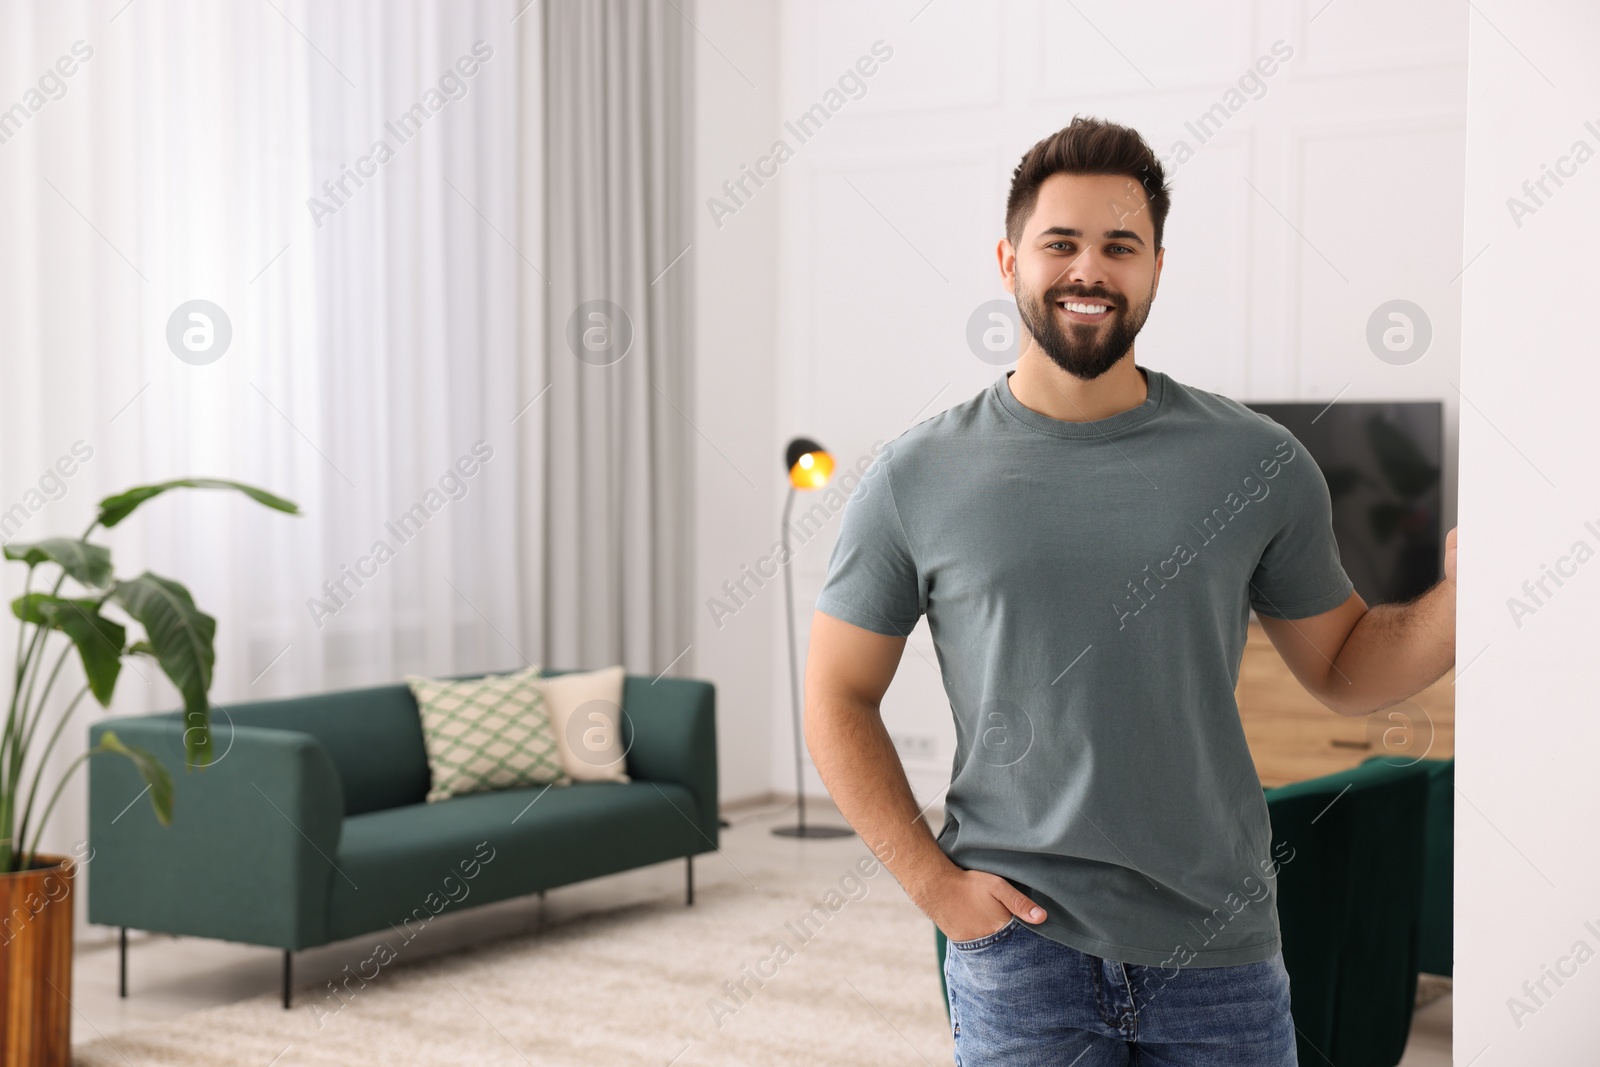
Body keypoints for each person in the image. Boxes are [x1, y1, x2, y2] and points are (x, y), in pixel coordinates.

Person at [803, 115, 1458, 1066]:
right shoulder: (916, 475)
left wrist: (1464, 595)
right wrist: (938, 889)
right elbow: (835, 694)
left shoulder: (1257, 463)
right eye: (1059, 243)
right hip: (1021, 955)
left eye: (1120, 245)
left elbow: (1348, 666)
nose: (1089, 269)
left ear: (1155, 266)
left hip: (1221, 957)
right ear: (1008, 260)